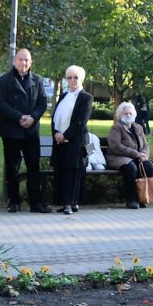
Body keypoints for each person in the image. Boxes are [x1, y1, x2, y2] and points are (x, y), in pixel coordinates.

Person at [0, 48, 48, 214]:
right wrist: (19, 117)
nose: (23, 63)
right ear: (14, 61)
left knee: (33, 167)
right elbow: (1, 104)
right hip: (11, 130)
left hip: (31, 131)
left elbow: (42, 103)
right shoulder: (3, 81)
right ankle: (14, 201)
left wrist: (33, 117)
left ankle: (35, 203)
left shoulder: (38, 81)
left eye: (26, 60)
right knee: (12, 168)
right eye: (20, 59)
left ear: (30, 62)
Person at [50, 65, 93, 214]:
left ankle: (70, 203)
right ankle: (65, 202)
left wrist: (65, 135)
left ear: (81, 79)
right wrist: (55, 133)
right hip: (59, 141)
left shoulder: (86, 98)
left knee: (72, 172)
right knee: (61, 171)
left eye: (76, 77)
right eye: (69, 77)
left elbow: (81, 121)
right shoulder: (63, 96)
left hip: (76, 141)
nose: (72, 80)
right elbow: (55, 117)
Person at [104, 100, 153, 209]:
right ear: (120, 115)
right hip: (118, 157)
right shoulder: (117, 127)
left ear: (134, 114)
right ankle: (132, 199)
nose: (128, 115)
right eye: (125, 113)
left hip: (136, 157)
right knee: (131, 168)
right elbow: (116, 146)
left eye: (130, 113)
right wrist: (136, 154)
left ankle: (143, 198)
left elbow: (145, 145)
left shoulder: (138, 127)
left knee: (149, 168)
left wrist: (144, 154)